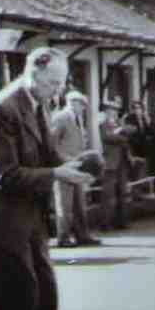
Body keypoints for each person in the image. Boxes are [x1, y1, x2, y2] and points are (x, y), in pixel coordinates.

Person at [0, 47, 95, 310]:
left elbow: (48, 153)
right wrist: (56, 174)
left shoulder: (40, 103)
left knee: (46, 301)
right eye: (52, 82)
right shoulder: (2, 109)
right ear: (32, 73)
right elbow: (6, 176)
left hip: (31, 218)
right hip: (3, 221)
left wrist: (71, 167)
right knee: (17, 307)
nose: (58, 90)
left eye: (62, 83)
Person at [49, 90, 101, 248]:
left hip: (78, 166)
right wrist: (65, 159)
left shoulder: (77, 119)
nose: (83, 108)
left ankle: (82, 235)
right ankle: (63, 237)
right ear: (73, 103)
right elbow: (52, 143)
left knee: (79, 203)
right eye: (81, 105)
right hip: (65, 167)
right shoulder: (61, 117)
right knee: (64, 204)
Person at [98, 99, 134, 231]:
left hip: (122, 162)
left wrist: (121, 132)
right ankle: (105, 223)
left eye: (115, 110)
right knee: (108, 194)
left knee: (122, 192)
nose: (114, 113)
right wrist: (122, 136)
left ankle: (121, 221)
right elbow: (108, 138)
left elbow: (131, 131)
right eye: (111, 110)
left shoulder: (119, 124)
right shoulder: (103, 124)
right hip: (110, 162)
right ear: (106, 111)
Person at [124, 100, 151, 180]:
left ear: (142, 109)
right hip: (134, 147)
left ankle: (142, 184)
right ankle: (135, 185)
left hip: (144, 148)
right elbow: (129, 134)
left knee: (143, 170)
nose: (137, 110)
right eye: (135, 108)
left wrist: (148, 121)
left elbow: (149, 132)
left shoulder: (144, 118)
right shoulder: (129, 119)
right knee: (135, 170)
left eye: (139, 108)